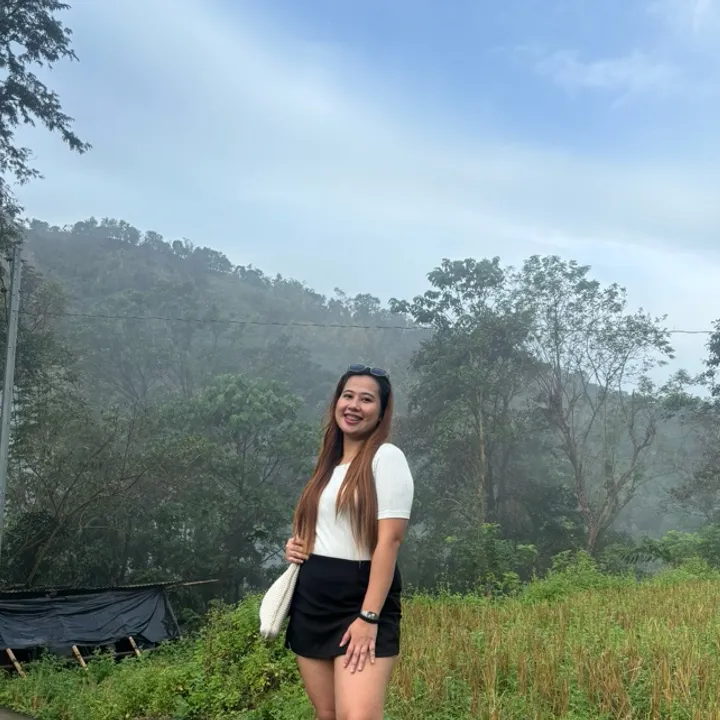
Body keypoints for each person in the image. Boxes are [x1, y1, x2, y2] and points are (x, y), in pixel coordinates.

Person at [283, 364, 414, 720]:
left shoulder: (386, 458)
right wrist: (296, 546)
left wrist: (368, 617)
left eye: (366, 399)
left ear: (381, 412)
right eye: (348, 396)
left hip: (360, 602)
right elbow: (327, 528)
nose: (354, 405)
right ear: (336, 402)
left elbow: (390, 541)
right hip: (311, 602)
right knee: (326, 714)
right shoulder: (328, 465)